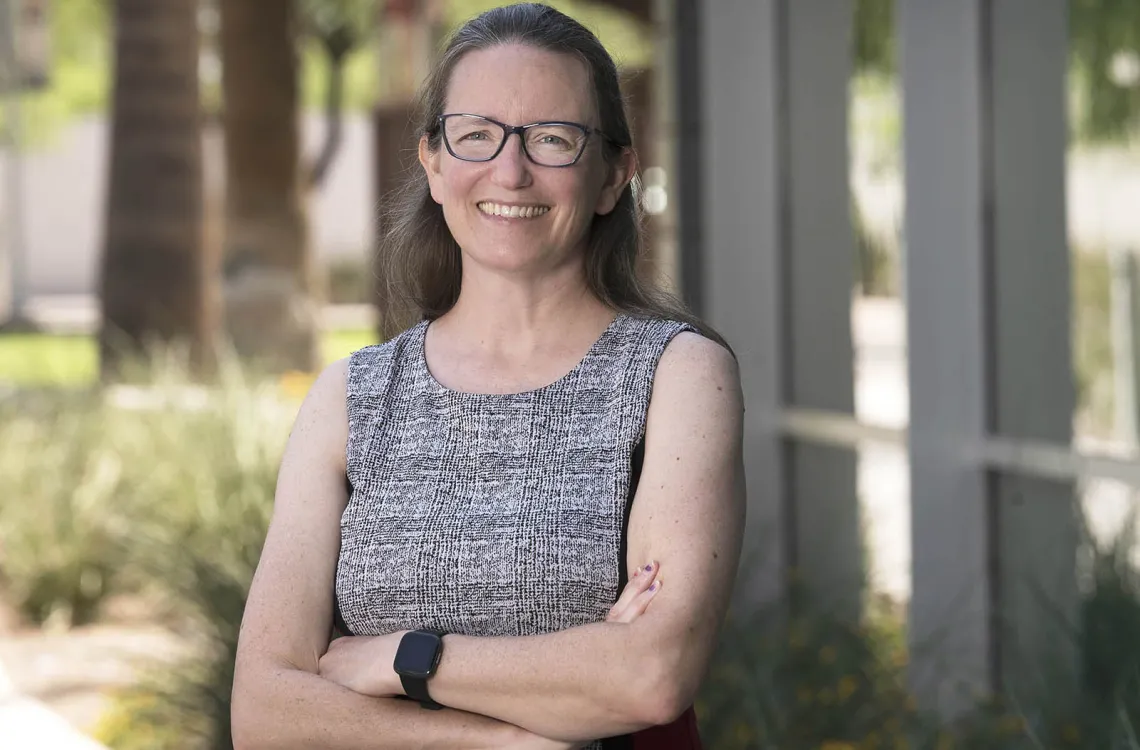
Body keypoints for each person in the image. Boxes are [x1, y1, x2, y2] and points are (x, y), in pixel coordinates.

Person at [231, 4, 745, 748]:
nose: (511, 170)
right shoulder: (352, 399)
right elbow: (264, 712)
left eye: (553, 139)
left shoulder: (677, 376)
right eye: (477, 136)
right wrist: (502, 740)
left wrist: (401, 659)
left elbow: (651, 675)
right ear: (434, 165)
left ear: (613, 177)